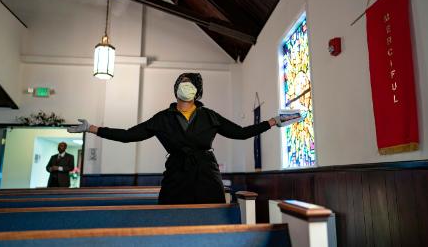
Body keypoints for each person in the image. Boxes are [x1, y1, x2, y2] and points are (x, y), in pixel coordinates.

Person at [68, 73, 282, 204]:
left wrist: (273, 121)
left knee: (211, 219)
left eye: (190, 83)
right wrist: (92, 128)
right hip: (176, 176)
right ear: (176, 88)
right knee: (172, 216)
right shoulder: (162, 118)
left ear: (197, 91)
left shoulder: (210, 116)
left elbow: (242, 133)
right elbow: (128, 135)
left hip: (207, 174)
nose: (185, 85)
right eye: (182, 82)